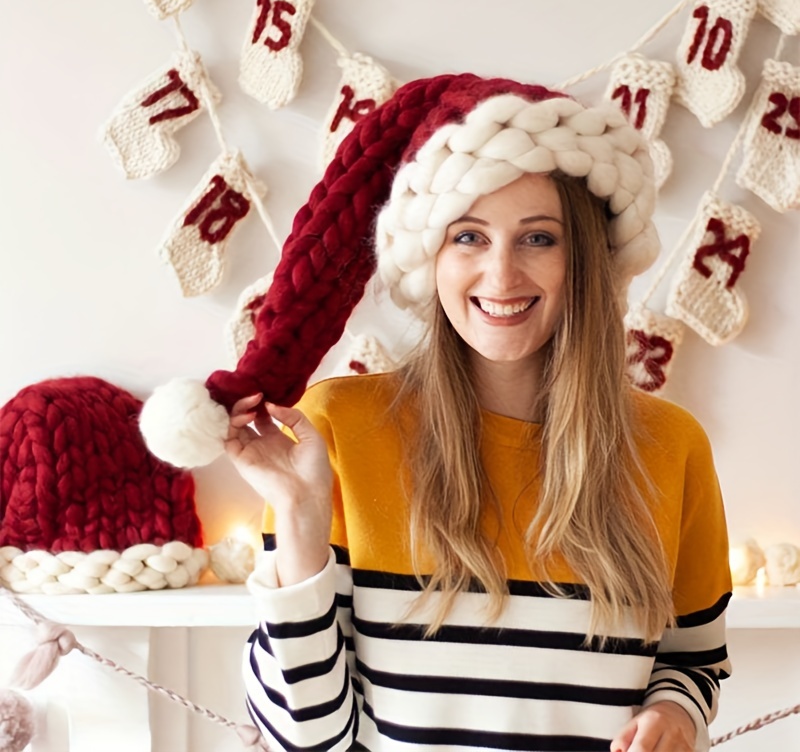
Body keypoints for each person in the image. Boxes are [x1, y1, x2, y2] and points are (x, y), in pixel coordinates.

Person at [140, 74, 732, 752]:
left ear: (586, 261)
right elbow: (305, 739)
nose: (502, 276)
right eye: (469, 237)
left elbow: (693, 659)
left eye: (539, 238)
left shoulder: (670, 446)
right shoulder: (335, 430)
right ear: (432, 258)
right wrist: (301, 516)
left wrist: (676, 715)